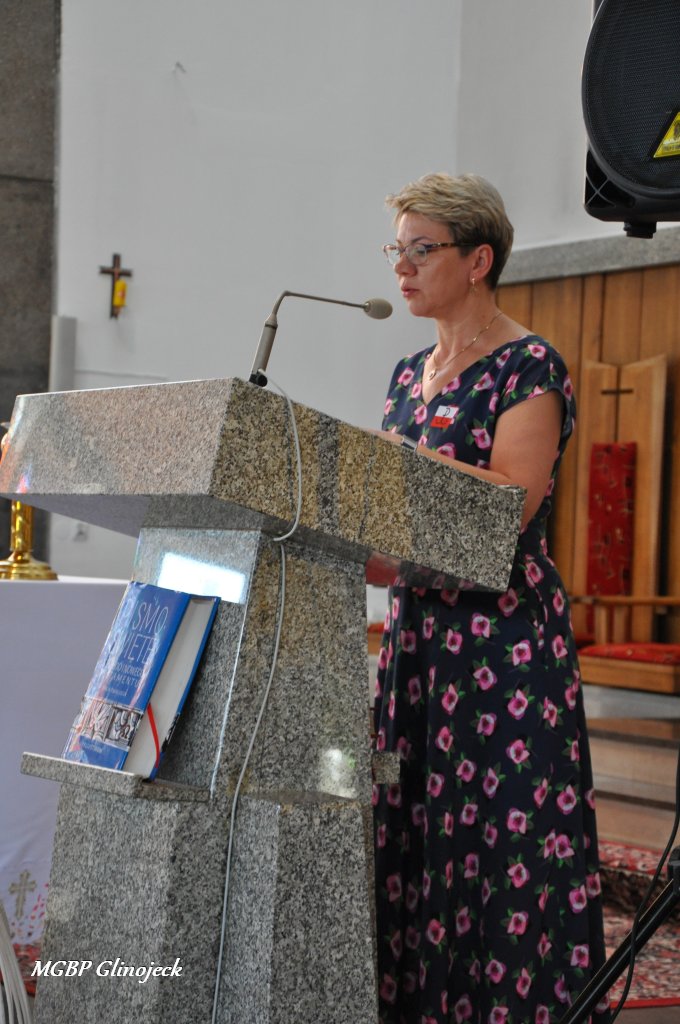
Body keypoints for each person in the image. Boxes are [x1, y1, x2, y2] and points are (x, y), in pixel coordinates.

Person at [372, 172, 610, 1024]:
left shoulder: (529, 364)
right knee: (419, 824)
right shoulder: (408, 373)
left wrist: (403, 474)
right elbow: (387, 509)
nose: (402, 267)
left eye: (420, 249)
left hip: (500, 641)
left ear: (478, 260)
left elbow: (512, 501)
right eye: (397, 249)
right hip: (419, 636)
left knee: (502, 832)